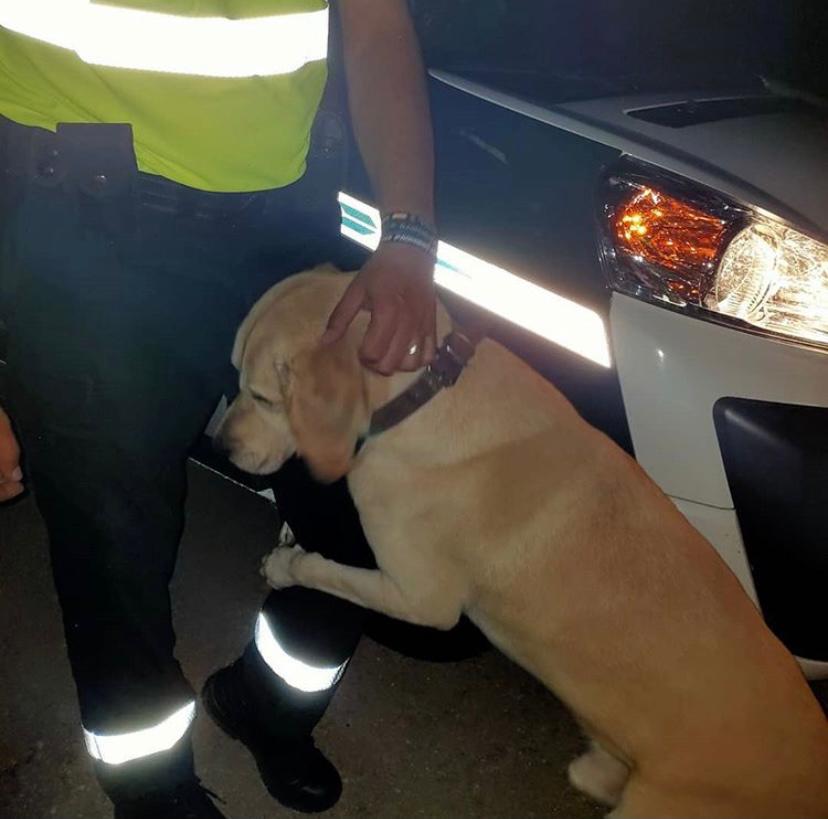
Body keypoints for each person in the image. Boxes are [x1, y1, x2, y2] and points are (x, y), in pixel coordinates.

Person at [0, 1, 437, 816]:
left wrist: (409, 235)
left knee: (364, 513)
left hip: (286, 225)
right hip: (79, 228)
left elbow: (379, 24)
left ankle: (268, 703)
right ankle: (153, 794)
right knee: (114, 557)